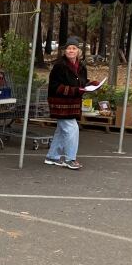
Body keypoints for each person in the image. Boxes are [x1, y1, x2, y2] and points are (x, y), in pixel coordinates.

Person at [45, 36, 97, 170]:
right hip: (60, 103)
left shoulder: (81, 66)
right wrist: (75, 90)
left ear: (78, 51)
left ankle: (52, 156)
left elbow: (82, 82)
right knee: (72, 129)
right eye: (68, 48)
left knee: (62, 131)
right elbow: (54, 87)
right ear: (65, 51)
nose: (71, 51)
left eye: (74, 48)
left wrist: (92, 84)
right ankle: (70, 159)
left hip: (73, 104)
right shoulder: (59, 66)